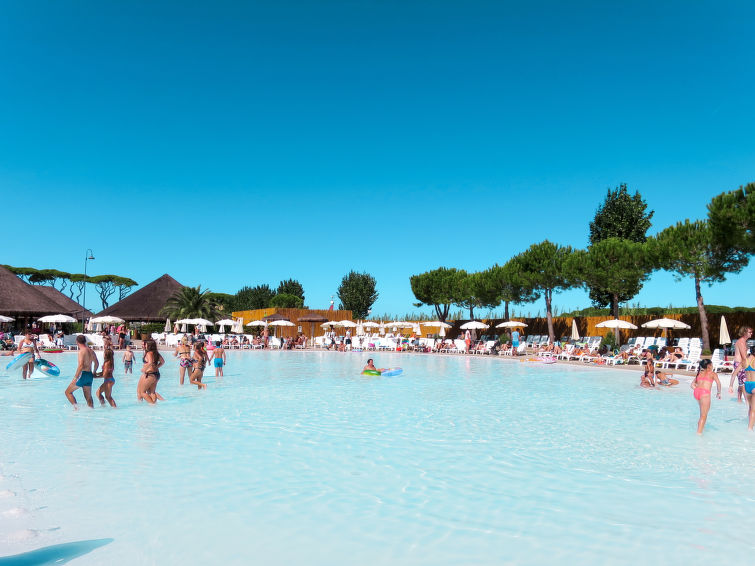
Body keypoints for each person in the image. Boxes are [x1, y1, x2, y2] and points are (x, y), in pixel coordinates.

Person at [65, 335, 99, 409]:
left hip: (83, 375)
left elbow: (81, 365)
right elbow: (96, 363)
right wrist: (94, 372)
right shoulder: (91, 351)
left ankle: (76, 409)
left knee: (68, 392)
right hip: (89, 375)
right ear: (85, 341)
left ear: (77, 342)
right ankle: (91, 411)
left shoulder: (81, 351)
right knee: (88, 397)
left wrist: (75, 378)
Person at [691, 359, 721, 435]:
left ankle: (701, 429)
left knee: (702, 414)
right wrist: (718, 393)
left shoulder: (699, 373)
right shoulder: (712, 374)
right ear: (709, 366)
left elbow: (692, 385)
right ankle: (699, 433)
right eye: (712, 364)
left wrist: (697, 389)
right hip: (705, 393)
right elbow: (718, 383)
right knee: (703, 415)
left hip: (697, 393)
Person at [730, 326, 753, 402]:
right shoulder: (741, 342)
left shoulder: (743, 341)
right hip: (740, 363)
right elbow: (744, 356)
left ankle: (739, 400)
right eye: (750, 332)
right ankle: (747, 401)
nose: (751, 333)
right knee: (743, 382)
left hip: (740, 363)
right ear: (744, 333)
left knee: (741, 382)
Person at [138, 340, 165, 404]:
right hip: (156, 374)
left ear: (149, 345)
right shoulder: (156, 353)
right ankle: (154, 405)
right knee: (152, 392)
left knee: (142, 392)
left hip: (150, 374)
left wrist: (144, 369)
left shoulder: (149, 353)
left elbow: (150, 362)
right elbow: (162, 362)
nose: (145, 345)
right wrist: (157, 367)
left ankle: (152, 404)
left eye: (146, 344)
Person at [742, 347, 755, 430]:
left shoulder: (745, 361)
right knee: (753, 409)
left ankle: (749, 422)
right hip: (754, 385)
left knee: (751, 407)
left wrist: (731, 385)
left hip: (747, 385)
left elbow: (735, 373)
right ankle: (750, 428)